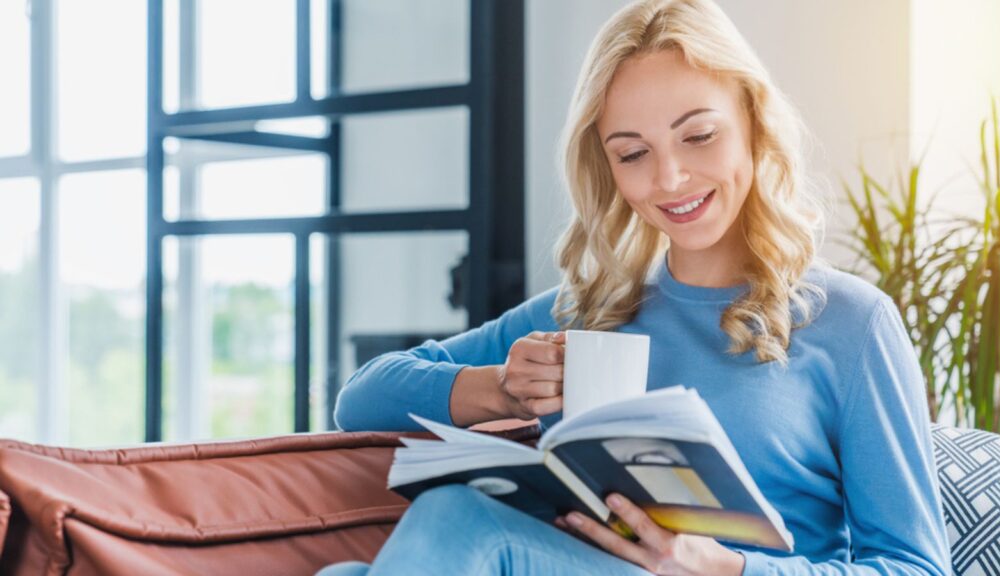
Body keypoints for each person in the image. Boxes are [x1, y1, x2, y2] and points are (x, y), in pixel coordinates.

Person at [319, 0, 952, 574]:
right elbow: (360, 399)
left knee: (451, 520)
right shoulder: (587, 312)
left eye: (698, 136)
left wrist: (732, 571)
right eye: (632, 153)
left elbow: (917, 567)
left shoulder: (851, 323)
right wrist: (500, 390)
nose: (670, 177)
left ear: (754, 125)